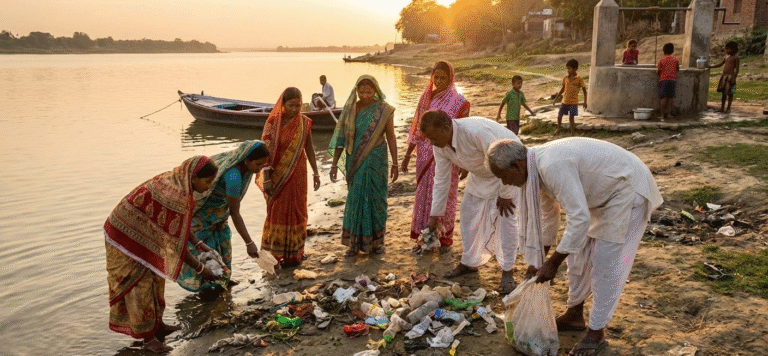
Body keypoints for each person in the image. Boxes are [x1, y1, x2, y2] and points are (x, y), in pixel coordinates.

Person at [486, 137, 663, 356]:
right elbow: (548, 218)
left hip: (627, 189)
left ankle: (596, 333)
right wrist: (537, 263)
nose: (505, 183)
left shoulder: (551, 165)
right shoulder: (534, 175)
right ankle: (574, 315)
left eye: (503, 176)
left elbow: (579, 219)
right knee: (577, 258)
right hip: (600, 196)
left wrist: (552, 263)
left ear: (516, 166)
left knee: (605, 264)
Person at [104, 156, 219, 353]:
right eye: (207, 181)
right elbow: (175, 246)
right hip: (125, 235)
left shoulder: (183, 189)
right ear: (193, 178)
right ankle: (148, 340)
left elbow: (179, 228)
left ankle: (157, 325)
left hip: (145, 232)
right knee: (140, 285)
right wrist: (200, 269)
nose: (208, 187)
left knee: (156, 278)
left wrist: (199, 244)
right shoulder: (173, 194)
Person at [419, 111, 520, 293]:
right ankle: (470, 262)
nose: (432, 143)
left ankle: (507, 271)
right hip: (481, 174)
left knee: (507, 221)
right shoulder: (440, 145)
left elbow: (506, 159)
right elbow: (442, 179)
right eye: (429, 139)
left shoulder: (475, 131)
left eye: (434, 137)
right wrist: (435, 215)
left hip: (509, 171)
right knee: (468, 216)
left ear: (447, 127)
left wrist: (506, 193)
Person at [176, 140, 269, 300]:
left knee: (223, 245)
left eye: (263, 165)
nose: (260, 169)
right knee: (207, 254)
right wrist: (249, 242)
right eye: (258, 164)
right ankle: (207, 290)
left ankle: (222, 280)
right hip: (203, 216)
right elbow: (235, 212)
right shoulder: (233, 176)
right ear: (246, 160)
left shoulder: (242, 169)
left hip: (219, 215)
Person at [402, 61, 470, 254]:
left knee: (446, 192)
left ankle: (443, 237)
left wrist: (464, 160)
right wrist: (407, 155)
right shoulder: (426, 98)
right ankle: (424, 235)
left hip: (448, 153)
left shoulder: (459, 102)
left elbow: (461, 133)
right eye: (436, 77)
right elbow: (417, 129)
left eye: (443, 78)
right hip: (425, 153)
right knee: (424, 193)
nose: (439, 81)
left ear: (450, 79)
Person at [329, 75, 398, 256]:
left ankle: (377, 243)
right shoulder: (351, 109)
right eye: (362, 90)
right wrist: (334, 164)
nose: (365, 94)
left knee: (376, 199)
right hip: (356, 161)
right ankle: (353, 244)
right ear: (356, 91)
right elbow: (341, 139)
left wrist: (396, 163)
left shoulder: (384, 110)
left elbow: (391, 137)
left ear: (376, 90)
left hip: (377, 160)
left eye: (369, 90)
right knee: (356, 198)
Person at [257, 87, 320, 267]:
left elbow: (309, 149)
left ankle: (295, 253)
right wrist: (266, 177)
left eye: (298, 106)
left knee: (297, 209)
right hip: (278, 176)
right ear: (283, 105)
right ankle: (275, 253)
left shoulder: (304, 123)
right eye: (291, 105)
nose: (295, 109)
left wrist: (316, 172)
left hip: (298, 172)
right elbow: (265, 151)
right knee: (278, 210)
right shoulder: (273, 123)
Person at [553, 59, 587, 136]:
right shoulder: (565, 78)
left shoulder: (579, 79)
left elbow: (584, 91)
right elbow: (562, 89)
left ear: (575, 69)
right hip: (564, 101)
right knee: (559, 116)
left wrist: (585, 102)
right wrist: (556, 98)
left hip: (573, 102)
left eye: (569, 68)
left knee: (571, 118)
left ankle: (572, 133)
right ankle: (558, 128)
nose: (568, 70)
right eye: (567, 68)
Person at [708, 41, 740, 113]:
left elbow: (737, 70)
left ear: (733, 49)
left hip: (730, 77)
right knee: (723, 93)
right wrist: (711, 66)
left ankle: (728, 108)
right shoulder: (726, 57)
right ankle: (722, 108)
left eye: (727, 49)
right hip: (724, 76)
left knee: (730, 93)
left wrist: (733, 78)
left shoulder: (736, 58)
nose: (726, 51)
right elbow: (720, 64)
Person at [657, 43, 679, 120]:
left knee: (663, 98)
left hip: (663, 80)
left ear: (663, 51)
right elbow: (677, 69)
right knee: (670, 98)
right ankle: (669, 114)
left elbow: (658, 71)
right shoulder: (676, 59)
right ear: (673, 51)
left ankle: (662, 115)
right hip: (672, 80)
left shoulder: (661, 60)